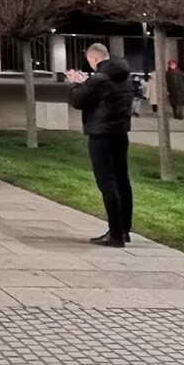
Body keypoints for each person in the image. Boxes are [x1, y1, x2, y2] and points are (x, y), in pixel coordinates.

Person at [67, 43, 134, 248]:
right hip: (120, 133)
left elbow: (78, 101)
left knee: (107, 182)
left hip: (101, 134)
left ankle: (115, 234)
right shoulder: (124, 76)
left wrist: (75, 84)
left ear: (94, 59)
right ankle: (124, 229)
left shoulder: (100, 79)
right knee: (122, 180)